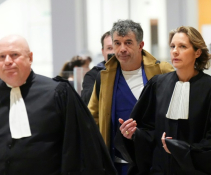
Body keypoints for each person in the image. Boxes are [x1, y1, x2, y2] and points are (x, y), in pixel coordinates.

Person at [0, 34, 117, 175]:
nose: (8, 61)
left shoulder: (58, 93)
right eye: (1, 57)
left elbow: (80, 151)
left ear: (30, 58)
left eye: (15, 55)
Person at [116, 26, 211, 175]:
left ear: (197, 52)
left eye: (182, 46)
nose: (175, 51)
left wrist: (182, 150)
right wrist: (134, 134)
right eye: (172, 46)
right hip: (160, 170)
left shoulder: (208, 88)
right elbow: (149, 130)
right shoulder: (158, 84)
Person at [87, 19, 174, 175]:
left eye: (128, 43)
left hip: (154, 161)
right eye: (117, 43)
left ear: (140, 45)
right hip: (117, 162)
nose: (122, 49)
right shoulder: (104, 77)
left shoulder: (162, 71)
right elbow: (92, 117)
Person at [81, 31, 114, 105]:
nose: (113, 52)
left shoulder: (133, 71)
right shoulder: (93, 75)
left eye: (116, 47)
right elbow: (86, 101)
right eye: (109, 48)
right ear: (103, 52)